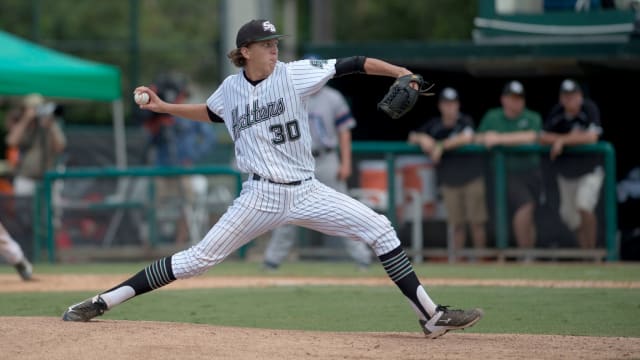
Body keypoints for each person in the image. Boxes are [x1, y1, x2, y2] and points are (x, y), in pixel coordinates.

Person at [61, 19, 483, 338]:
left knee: (379, 227)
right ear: (245, 51)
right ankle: (102, 301)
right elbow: (211, 113)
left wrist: (398, 72)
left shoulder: (293, 74)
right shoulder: (230, 88)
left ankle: (431, 316)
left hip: (308, 191)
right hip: (259, 195)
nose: (273, 50)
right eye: (265, 45)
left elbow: (351, 64)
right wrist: (164, 108)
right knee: (197, 260)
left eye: (275, 43)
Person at [262, 81, 372, 270]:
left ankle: (362, 257)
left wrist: (345, 162)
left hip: (326, 157)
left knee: (342, 209)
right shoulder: (289, 96)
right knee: (288, 210)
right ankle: (272, 261)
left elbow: (344, 131)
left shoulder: (333, 97)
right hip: (297, 161)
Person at [408, 87, 488, 261]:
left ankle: (482, 262)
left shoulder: (465, 121)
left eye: (453, 104)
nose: (450, 107)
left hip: (472, 178)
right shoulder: (434, 125)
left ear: (458, 105)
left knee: (476, 223)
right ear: (441, 106)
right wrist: (423, 139)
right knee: (456, 225)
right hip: (450, 182)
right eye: (446, 104)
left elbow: (467, 137)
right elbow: (412, 136)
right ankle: (457, 263)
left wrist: (440, 146)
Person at [141, 73, 217, 244]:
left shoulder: (189, 112)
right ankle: (153, 243)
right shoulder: (159, 114)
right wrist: (158, 123)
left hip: (184, 168)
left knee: (188, 204)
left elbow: (209, 138)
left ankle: (180, 241)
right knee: (154, 203)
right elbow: (149, 139)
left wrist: (192, 156)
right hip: (162, 168)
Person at [475, 80, 543, 255]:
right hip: (506, 174)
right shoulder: (492, 116)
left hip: (532, 174)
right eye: (512, 98)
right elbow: (477, 138)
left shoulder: (532, 117)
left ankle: (529, 255)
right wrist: (487, 138)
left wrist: (500, 139)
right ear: (504, 99)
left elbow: (532, 136)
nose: (516, 101)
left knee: (532, 213)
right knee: (525, 207)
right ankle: (524, 255)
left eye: (519, 98)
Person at [539, 79, 603, 249]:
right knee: (572, 219)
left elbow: (592, 137)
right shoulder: (557, 112)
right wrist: (568, 139)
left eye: (573, 95)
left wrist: (562, 140)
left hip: (589, 171)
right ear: (561, 98)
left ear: (580, 96)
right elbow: (543, 137)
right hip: (566, 175)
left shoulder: (589, 109)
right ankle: (586, 254)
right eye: (566, 96)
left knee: (584, 206)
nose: (570, 100)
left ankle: (593, 251)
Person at [5, 93, 66, 196]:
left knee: (48, 211)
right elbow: (11, 142)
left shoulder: (47, 125)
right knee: (23, 210)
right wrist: (26, 119)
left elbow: (61, 146)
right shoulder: (22, 125)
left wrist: (51, 124)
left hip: (47, 179)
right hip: (26, 178)